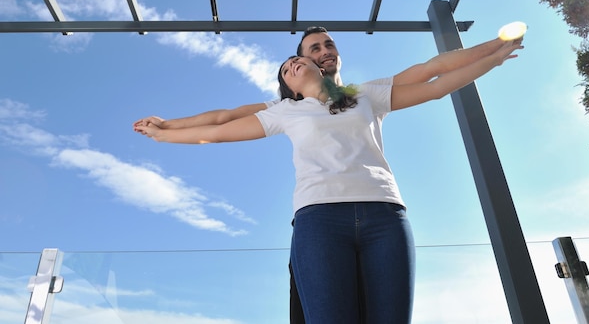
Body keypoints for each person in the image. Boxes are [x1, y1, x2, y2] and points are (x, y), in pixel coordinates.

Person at [134, 32, 523, 323]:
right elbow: (219, 126)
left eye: (306, 56)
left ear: (323, 65)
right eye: (288, 66)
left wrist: (494, 52)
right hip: (319, 221)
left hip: (385, 216)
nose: (296, 64)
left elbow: (435, 80)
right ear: (287, 85)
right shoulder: (284, 110)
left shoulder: (365, 94)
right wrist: (165, 130)